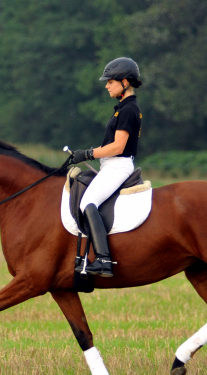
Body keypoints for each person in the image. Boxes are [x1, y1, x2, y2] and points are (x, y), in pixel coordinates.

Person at [72, 57, 143, 278]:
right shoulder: (122, 108)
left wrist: (88, 153)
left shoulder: (129, 110)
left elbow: (118, 146)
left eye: (110, 82)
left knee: (87, 203)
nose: (106, 85)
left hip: (117, 166)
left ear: (124, 81)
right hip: (110, 165)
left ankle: (103, 260)